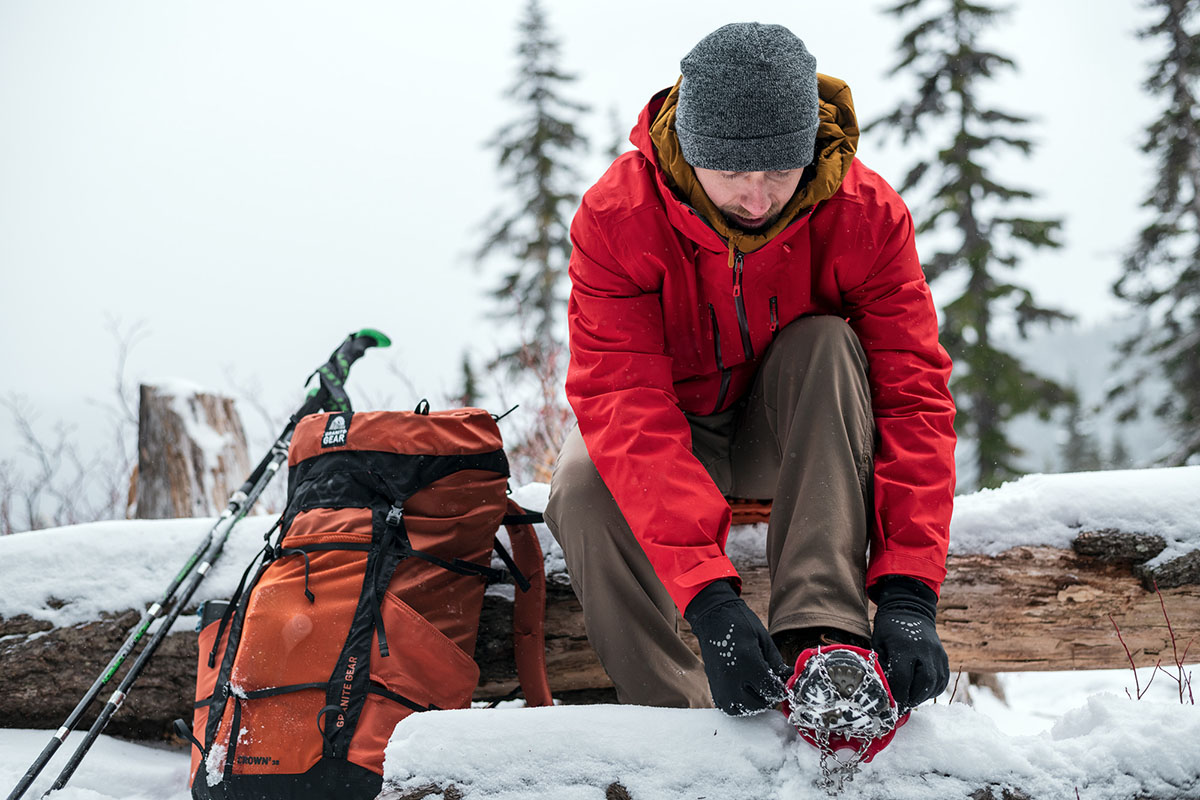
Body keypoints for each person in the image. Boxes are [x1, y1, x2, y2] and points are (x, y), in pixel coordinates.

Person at [543, 22, 956, 717]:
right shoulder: (619, 220)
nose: (759, 199)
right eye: (734, 173)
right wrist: (709, 600)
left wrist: (910, 589)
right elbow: (623, 405)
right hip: (675, 434)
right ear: (693, 152)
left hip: (796, 433)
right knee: (580, 487)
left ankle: (825, 642)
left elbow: (913, 395)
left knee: (826, 343)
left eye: (779, 172)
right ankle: (673, 713)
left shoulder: (866, 215)